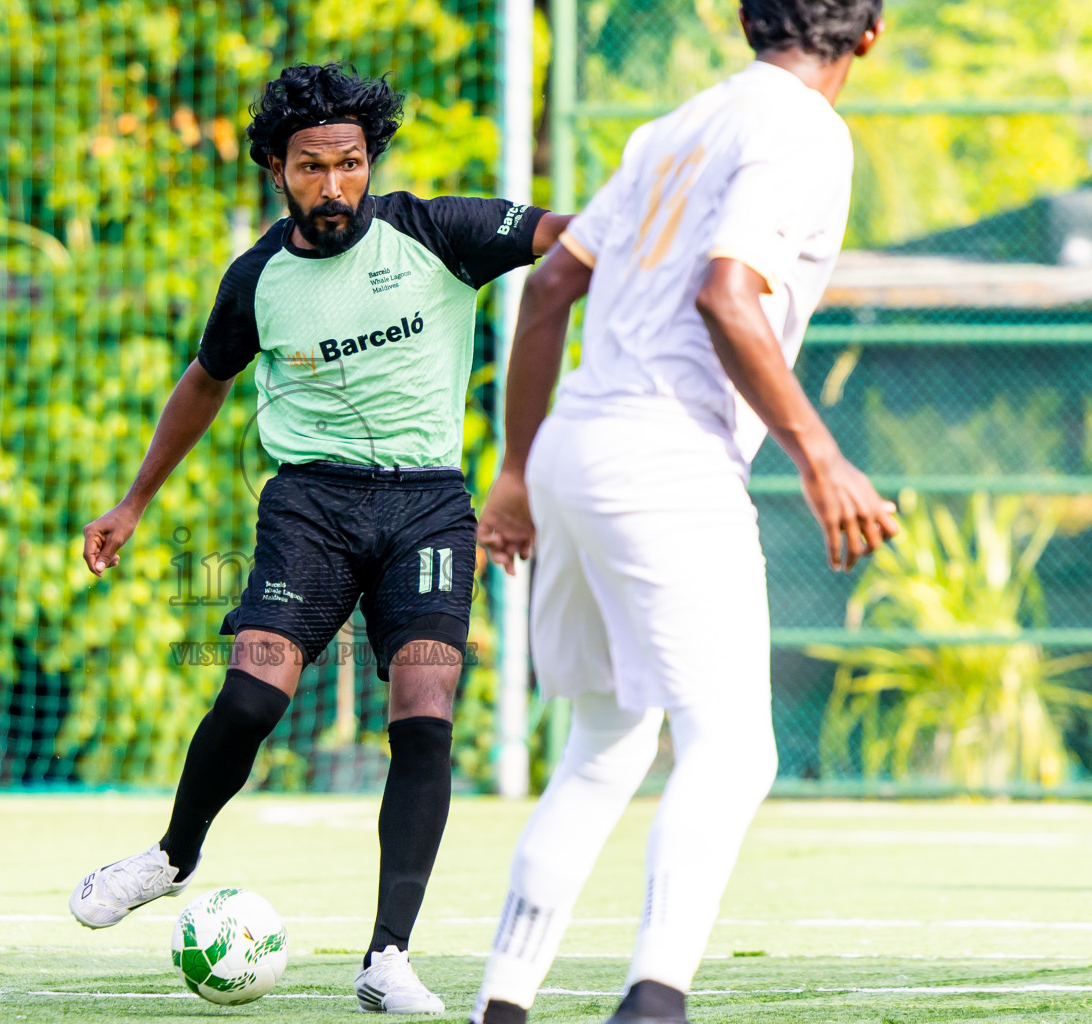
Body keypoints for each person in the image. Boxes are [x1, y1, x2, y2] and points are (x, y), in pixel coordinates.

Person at [72, 62, 571, 1013]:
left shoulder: (438, 230)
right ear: (275, 169)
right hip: (310, 504)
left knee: (425, 720)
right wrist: (133, 503)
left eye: (349, 163)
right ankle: (174, 858)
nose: (334, 184)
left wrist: (641, 232)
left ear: (369, 161)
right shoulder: (258, 277)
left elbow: (567, 237)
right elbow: (204, 384)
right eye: (311, 167)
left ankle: (387, 959)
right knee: (255, 696)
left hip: (428, 504)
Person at [469, 3, 895, 1022]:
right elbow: (726, 294)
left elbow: (550, 287)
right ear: (868, 39)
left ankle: (502, 1002)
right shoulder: (802, 128)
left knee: (606, 739)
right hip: (664, 450)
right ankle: (653, 1003)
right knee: (734, 748)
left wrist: (517, 469)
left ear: (752, 21)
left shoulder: (673, 127)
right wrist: (822, 457)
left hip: (574, 442)